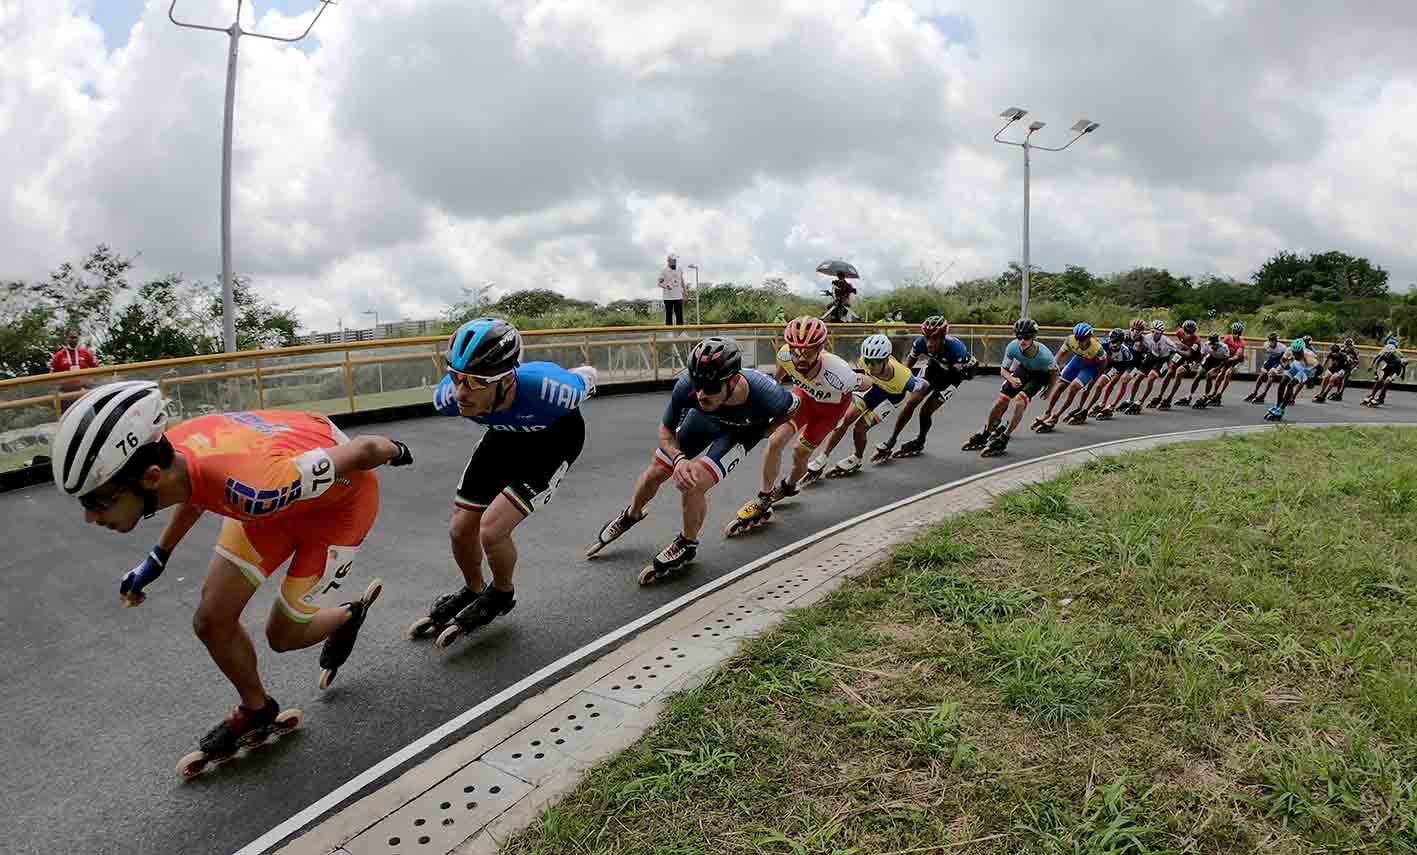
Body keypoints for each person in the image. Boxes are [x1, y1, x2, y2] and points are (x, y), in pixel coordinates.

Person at [51, 380, 413, 769]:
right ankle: (257, 707)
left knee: (283, 635)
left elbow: (363, 450)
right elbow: (193, 490)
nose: (90, 517)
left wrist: (399, 449)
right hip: (276, 496)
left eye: (97, 501)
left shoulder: (253, 489)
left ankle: (347, 615)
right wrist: (157, 558)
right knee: (211, 620)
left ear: (151, 476)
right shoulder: (175, 459)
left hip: (336, 512)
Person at [417, 318, 597, 646]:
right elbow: (459, 390)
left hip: (554, 440)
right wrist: (468, 384)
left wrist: (585, 376)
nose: (461, 392)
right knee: (460, 529)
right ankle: (473, 588)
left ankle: (501, 592)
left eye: (474, 382)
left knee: (492, 528)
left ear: (505, 380)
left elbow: (588, 376)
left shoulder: (551, 390)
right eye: (456, 377)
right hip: (504, 438)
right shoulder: (447, 399)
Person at [587, 337, 796, 582]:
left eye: (710, 388)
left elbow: (792, 409)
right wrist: (678, 460)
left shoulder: (767, 393)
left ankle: (687, 543)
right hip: (702, 422)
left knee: (694, 484)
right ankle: (631, 515)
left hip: (740, 432)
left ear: (734, 381)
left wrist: (764, 431)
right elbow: (665, 432)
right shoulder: (687, 387)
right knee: (656, 470)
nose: (701, 394)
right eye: (698, 385)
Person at [728, 316, 863, 534]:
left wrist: (872, 384)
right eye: (795, 350)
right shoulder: (785, 354)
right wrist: (774, 388)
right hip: (803, 400)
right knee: (775, 440)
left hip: (829, 412)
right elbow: (779, 375)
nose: (800, 358)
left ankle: (789, 485)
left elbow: (865, 382)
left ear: (821, 348)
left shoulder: (840, 372)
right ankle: (763, 497)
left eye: (808, 352)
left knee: (799, 454)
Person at [802, 333, 929, 482]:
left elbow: (924, 386)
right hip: (874, 388)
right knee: (845, 420)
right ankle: (823, 457)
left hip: (891, 397)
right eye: (868, 361)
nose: (870, 366)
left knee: (860, 428)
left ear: (886, 359)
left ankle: (857, 457)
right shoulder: (863, 360)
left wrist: (914, 401)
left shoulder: (904, 378)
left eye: (875, 362)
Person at [962, 318, 1056, 456]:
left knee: (1020, 401)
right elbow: (1003, 370)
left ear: (1033, 337)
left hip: (1040, 375)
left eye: (1027, 337)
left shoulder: (1045, 356)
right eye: (1019, 337)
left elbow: (1055, 373)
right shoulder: (1013, 346)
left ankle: (1004, 437)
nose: (1023, 340)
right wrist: (1011, 379)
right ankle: (987, 431)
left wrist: (1049, 390)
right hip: (1025, 368)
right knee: (1002, 400)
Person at [884, 316, 974, 457]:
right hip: (933, 368)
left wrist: (968, 370)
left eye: (934, 339)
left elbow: (963, 375)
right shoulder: (920, 343)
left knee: (925, 411)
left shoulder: (957, 349)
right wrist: (899, 383)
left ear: (943, 337)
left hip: (951, 377)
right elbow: (907, 366)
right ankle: (891, 440)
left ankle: (920, 440)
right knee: (911, 403)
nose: (929, 343)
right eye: (927, 338)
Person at [1036, 322, 1105, 429]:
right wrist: (1051, 368)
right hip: (1076, 362)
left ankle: (1056, 416)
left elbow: (1103, 365)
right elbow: (1060, 355)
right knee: (1059, 387)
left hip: (1089, 368)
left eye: (1082, 339)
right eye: (1077, 338)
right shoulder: (1070, 339)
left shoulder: (1097, 349)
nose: (1079, 341)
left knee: (1073, 388)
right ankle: (1047, 412)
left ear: (1089, 337)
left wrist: (1094, 379)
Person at [1083, 328, 1135, 419]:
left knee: (1120, 381)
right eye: (1112, 341)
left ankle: (1112, 405)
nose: (1113, 344)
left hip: (1122, 365)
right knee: (1099, 385)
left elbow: (1131, 365)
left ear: (1122, 342)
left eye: (1116, 342)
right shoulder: (1104, 343)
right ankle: (1102, 404)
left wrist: (1127, 374)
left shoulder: (1126, 352)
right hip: (1109, 363)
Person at [1153, 319, 1202, 409]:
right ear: (1183, 329)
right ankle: (1160, 396)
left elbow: (1189, 354)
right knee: (1169, 372)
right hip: (1182, 353)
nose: (1188, 334)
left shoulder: (1196, 342)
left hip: (1193, 359)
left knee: (1179, 372)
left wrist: (1177, 349)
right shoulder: (1179, 332)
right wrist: (1182, 346)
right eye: (1186, 332)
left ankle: (1169, 398)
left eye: (1190, 333)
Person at [1265, 339, 1317, 421]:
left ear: (1302, 350)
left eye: (1298, 353)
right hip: (1296, 364)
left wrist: (1313, 379)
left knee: (1290, 385)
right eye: (1294, 353)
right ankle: (1278, 406)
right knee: (1282, 382)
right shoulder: (1289, 350)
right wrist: (1278, 369)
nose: (1296, 355)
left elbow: (1320, 369)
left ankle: (1281, 409)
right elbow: (1283, 360)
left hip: (1306, 369)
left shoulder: (1310, 357)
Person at [50, 328, 100, 411]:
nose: (73, 339)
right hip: (66, 394)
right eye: (71, 337)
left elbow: (96, 369)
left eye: (75, 337)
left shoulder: (85, 353)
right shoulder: (59, 355)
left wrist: (91, 382)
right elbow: (51, 376)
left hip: (83, 391)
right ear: (67, 338)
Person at [1185, 333, 1232, 409]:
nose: (1213, 346)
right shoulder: (1206, 345)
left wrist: (1217, 369)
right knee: (1198, 375)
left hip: (1220, 361)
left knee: (1209, 375)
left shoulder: (1224, 347)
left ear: (1218, 343)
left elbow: (1226, 361)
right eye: (1211, 344)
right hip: (1210, 359)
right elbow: (1201, 357)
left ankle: (1206, 395)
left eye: (1214, 344)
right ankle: (1189, 395)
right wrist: (1192, 363)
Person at [1209, 322, 1247, 405]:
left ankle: (1220, 394)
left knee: (1228, 373)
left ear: (1240, 333)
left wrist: (1228, 360)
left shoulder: (1241, 343)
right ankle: (1214, 393)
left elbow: (1237, 356)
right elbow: (1221, 346)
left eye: (1237, 332)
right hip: (1226, 358)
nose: (1235, 334)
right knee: (1220, 374)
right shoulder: (1227, 338)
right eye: (1234, 332)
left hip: (1235, 361)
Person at [1244, 332, 1287, 403]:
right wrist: (1265, 365)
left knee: (1271, 374)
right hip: (1271, 359)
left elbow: (1283, 360)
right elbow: (1267, 355)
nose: (1271, 342)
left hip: (1279, 361)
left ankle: (1264, 393)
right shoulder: (1266, 344)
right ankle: (1254, 392)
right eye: (1270, 340)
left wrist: (1278, 368)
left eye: (1273, 340)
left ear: (1276, 341)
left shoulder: (1282, 348)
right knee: (1262, 374)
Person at [1363, 342, 1406, 407]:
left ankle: (1380, 397)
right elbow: (1377, 361)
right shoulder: (1383, 355)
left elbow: (1404, 365)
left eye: (1389, 353)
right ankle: (1372, 395)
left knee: (1386, 383)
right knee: (1379, 380)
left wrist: (1403, 374)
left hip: (1395, 370)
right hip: (1387, 368)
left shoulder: (1397, 359)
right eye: (1386, 352)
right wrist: (1375, 371)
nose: (1387, 354)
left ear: (1392, 353)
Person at [657, 254, 685, 326]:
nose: (675, 262)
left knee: (680, 316)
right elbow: (659, 283)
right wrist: (666, 286)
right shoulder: (664, 271)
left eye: (676, 260)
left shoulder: (679, 269)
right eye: (673, 260)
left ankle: (680, 333)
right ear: (668, 261)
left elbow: (681, 280)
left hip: (678, 296)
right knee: (669, 316)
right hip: (668, 298)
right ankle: (669, 333)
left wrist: (685, 292)